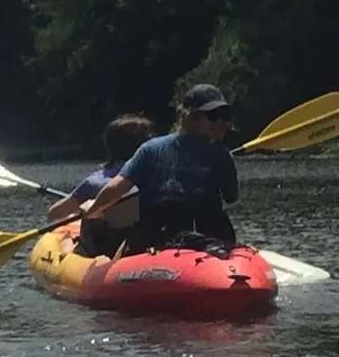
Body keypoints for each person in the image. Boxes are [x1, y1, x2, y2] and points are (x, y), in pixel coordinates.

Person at [82, 86, 240, 256]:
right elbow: (232, 197)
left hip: (167, 237)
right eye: (213, 117)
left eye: (225, 116)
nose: (222, 123)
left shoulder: (151, 148)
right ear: (190, 117)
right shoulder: (221, 154)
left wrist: (92, 210)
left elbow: (117, 188)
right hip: (182, 238)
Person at [47, 113, 154, 260]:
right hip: (141, 245)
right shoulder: (158, 178)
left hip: (100, 249)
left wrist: (79, 206)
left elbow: (54, 214)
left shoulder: (96, 181)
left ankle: (68, 244)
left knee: (66, 236)